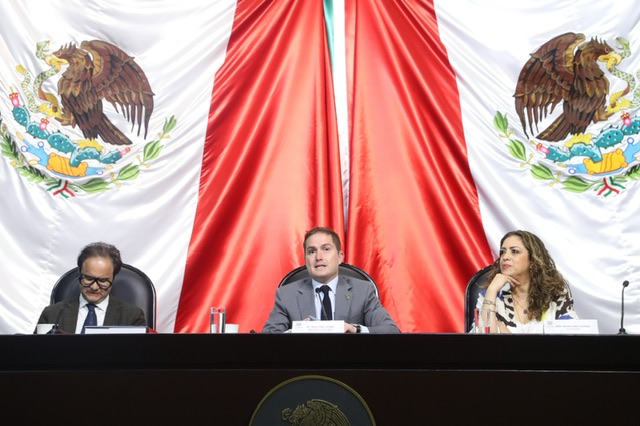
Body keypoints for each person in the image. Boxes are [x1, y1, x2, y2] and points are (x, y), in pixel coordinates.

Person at [262, 226, 400, 333]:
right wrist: (295, 331)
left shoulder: (363, 291)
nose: (319, 257)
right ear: (305, 260)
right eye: (312, 251)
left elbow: (391, 331)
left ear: (340, 257)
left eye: (326, 249)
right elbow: (267, 338)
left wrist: (355, 329)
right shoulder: (286, 295)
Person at [474, 230, 577, 334]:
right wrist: (492, 290)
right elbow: (482, 339)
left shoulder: (556, 295)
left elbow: (571, 338)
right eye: (502, 252)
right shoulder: (489, 296)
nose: (505, 257)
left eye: (514, 251)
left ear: (532, 259)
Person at [36, 242, 146, 334]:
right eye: (88, 278)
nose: (94, 287)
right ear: (79, 273)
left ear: (113, 278)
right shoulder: (51, 313)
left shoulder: (132, 316)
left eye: (103, 280)